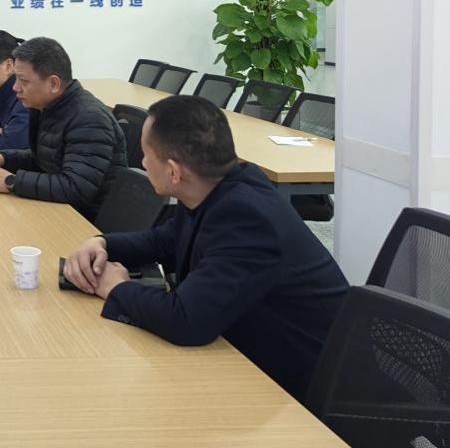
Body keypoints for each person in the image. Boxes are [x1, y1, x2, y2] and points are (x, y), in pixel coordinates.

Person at [62, 95, 348, 401]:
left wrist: (117, 287)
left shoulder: (246, 219)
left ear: (174, 172)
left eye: (146, 155)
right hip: (251, 350)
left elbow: (187, 321)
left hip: (305, 386)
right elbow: (164, 240)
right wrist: (102, 243)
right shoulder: (216, 187)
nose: (143, 163)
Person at [0, 37, 125, 221]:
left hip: (84, 221)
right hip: (57, 207)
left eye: (23, 81)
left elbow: (76, 188)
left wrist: (11, 181)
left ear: (53, 84)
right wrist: (4, 159)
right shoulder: (47, 106)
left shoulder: (89, 119)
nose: (15, 87)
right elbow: (47, 159)